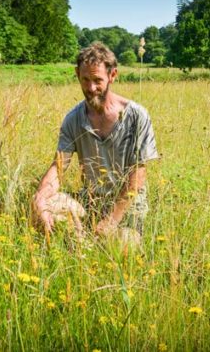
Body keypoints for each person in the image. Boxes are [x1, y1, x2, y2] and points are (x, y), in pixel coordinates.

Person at [33, 42, 159, 239]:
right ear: (77, 74)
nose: (91, 88)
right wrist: (39, 199)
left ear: (112, 75)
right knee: (43, 205)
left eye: (97, 80)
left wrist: (111, 220)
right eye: (85, 79)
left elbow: (138, 174)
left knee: (124, 246)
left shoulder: (136, 116)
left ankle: (91, 240)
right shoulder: (73, 119)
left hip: (127, 208)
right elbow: (58, 167)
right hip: (90, 201)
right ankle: (76, 248)